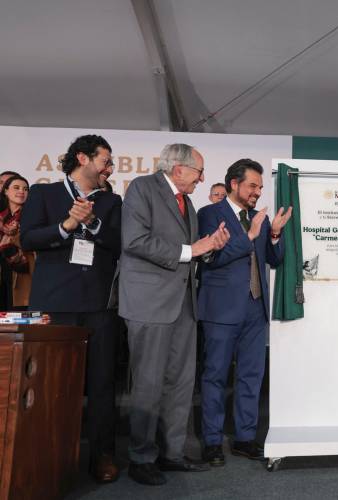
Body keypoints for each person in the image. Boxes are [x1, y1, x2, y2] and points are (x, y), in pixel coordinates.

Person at [119, 143, 230, 486]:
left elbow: (193, 252)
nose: (202, 178)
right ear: (178, 168)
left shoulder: (189, 203)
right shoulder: (142, 188)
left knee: (181, 383)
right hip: (149, 303)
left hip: (183, 303)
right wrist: (191, 249)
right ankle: (141, 458)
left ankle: (173, 453)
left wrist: (211, 248)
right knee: (149, 383)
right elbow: (134, 240)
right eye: (199, 171)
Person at [20, 135, 123, 483]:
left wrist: (92, 223)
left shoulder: (112, 202)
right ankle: (49, 453)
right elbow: (28, 239)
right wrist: (67, 225)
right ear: (82, 157)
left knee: (102, 382)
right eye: (105, 160)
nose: (110, 167)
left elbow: (120, 244)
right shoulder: (44, 194)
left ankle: (102, 455)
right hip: (54, 304)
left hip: (99, 305)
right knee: (51, 383)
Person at [198, 159, 291, 466]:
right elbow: (212, 258)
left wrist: (274, 234)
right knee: (215, 376)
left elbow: (273, 260)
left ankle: (244, 438)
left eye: (260, 187)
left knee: (251, 376)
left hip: (255, 307)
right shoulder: (209, 214)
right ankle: (211, 442)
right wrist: (249, 236)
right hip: (221, 309)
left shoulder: (260, 218)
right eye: (252, 185)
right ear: (234, 184)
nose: (257, 192)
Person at [0, 175, 34, 309]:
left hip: (21, 276)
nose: (21, 191)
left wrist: (15, 238)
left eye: (25, 189)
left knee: (18, 319)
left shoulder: (33, 215)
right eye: (16, 188)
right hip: (2, 273)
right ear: (6, 191)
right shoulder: (2, 217)